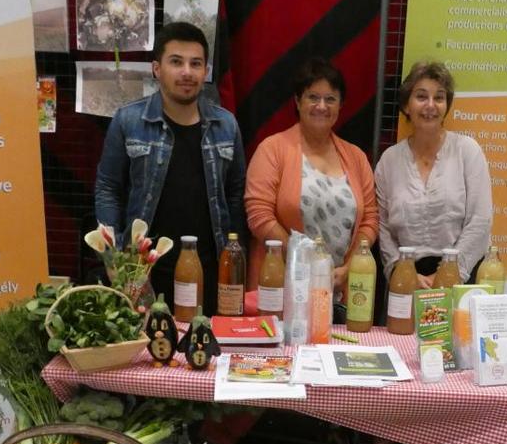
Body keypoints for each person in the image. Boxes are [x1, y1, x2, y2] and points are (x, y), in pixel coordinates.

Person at [358, 59, 493, 444]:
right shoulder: (388, 162)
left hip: (455, 270)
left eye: (438, 96)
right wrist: (404, 272)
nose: (430, 105)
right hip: (403, 273)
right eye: (421, 95)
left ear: (447, 104)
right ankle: (384, 441)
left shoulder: (468, 151)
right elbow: (382, 225)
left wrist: (448, 274)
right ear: (407, 105)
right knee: (399, 364)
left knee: (447, 365)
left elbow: (481, 220)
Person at [94, 21, 246, 315]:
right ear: (156, 68)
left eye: (195, 63)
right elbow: (107, 189)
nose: (187, 72)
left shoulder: (225, 125)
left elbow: (237, 195)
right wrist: (114, 259)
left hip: (211, 270)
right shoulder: (127, 122)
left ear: (206, 71)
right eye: (176, 62)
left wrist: (236, 261)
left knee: (205, 355)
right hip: (144, 272)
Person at [244, 57, 378, 295]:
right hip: (283, 287)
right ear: (297, 101)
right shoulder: (272, 149)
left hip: (338, 290)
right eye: (313, 97)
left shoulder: (356, 157)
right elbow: (259, 215)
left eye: (330, 99)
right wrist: (306, 261)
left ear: (340, 105)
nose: (322, 106)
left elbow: (370, 221)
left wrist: (350, 267)